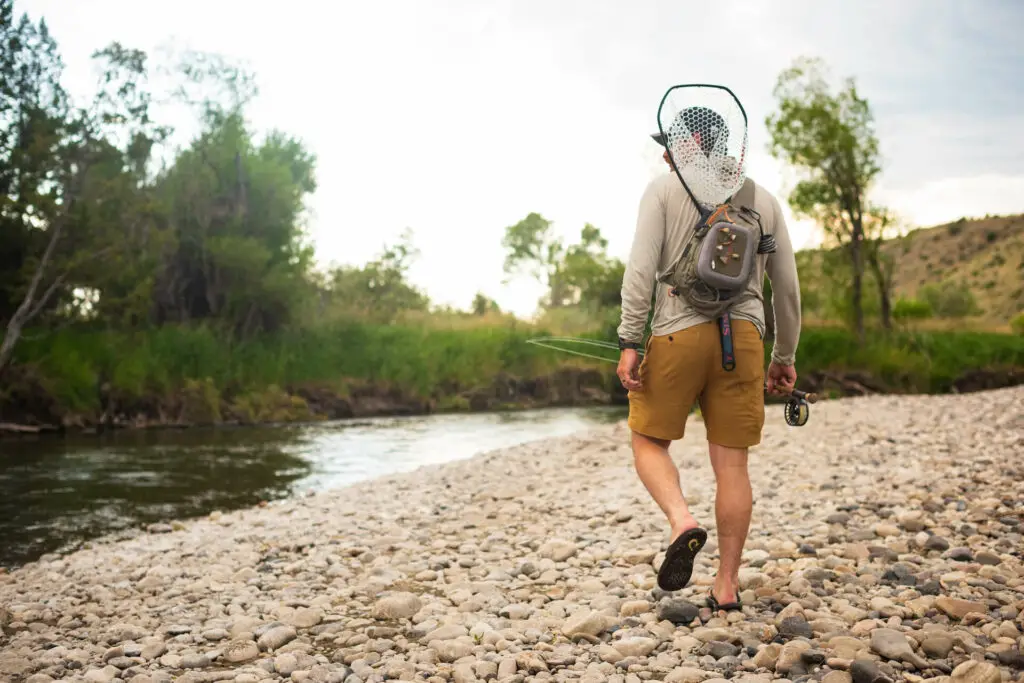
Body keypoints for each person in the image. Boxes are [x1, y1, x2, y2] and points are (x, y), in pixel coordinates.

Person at [617, 105, 801, 611]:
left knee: (648, 440)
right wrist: (783, 355)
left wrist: (629, 341)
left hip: (676, 335)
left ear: (692, 143)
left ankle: (682, 520)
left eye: (670, 142)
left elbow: (640, 271)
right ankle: (726, 586)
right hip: (742, 342)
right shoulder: (762, 198)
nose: (664, 152)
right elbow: (786, 289)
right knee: (733, 466)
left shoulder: (662, 189)